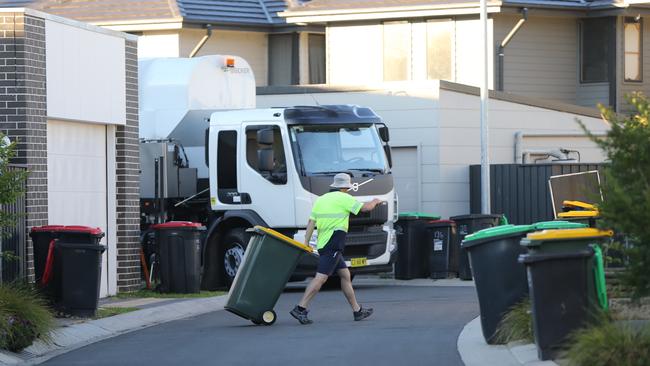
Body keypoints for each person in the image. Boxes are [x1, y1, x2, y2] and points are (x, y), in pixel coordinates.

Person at [290, 173, 384, 325]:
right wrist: (375, 201)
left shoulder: (321, 199)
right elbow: (365, 208)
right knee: (321, 278)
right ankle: (300, 308)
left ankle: (357, 311)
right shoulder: (344, 198)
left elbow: (311, 222)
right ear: (346, 186)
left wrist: (306, 242)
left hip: (324, 244)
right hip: (333, 244)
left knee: (345, 275)